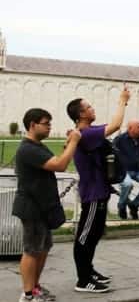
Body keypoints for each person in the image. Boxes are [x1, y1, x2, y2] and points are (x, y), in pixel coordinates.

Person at [66, 86, 130, 293]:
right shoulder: (86, 134)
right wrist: (122, 100)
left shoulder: (88, 133)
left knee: (93, 235)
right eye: (89, 107)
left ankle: (89, 271)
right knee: (85, 236)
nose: (93, 109)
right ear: (81, 114)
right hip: (92, 194)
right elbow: (116, 125)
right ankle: (83, 280)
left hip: (99, 191)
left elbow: (111, 127)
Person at [14, 108, 81, 302]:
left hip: (42, 206)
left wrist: (68, 145)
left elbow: (57, 161)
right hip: (32, 207)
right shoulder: (28, 148)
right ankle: (27, 295)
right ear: (33, 125)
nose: (50, 127)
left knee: (43, 248)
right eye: (46, 123)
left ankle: (35, 288)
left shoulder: (38, 146)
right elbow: (60, 165)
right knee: (31, 250)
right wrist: (74, 142)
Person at [112, 120, 139, 220]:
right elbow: (112, 154)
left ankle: (135, 205)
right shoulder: (120, 139)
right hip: (124, 170)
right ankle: (121, 206)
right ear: (130, 128)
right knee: (127, 184)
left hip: (138, 170)